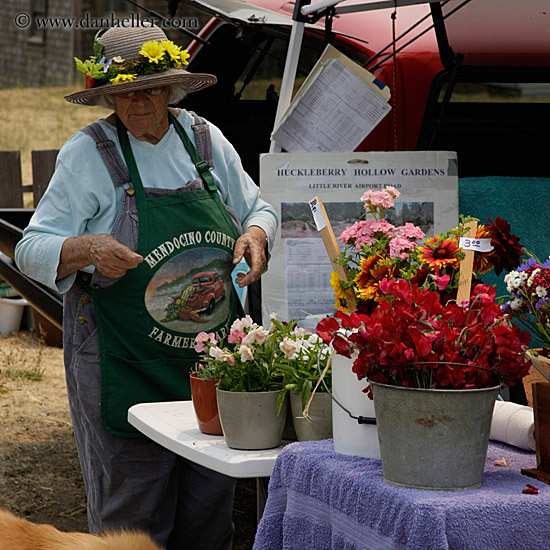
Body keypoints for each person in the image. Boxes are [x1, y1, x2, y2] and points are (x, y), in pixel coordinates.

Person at [15, 23, 278, 550]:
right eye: (124, 92)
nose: (138, 102)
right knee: (131, 528)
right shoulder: (89, 152)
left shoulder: (204, 138)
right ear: (108, 94)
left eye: (150, 88)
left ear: (171, 88)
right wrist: (86, 249)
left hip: (209, 368)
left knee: (209, 515)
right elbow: (30, 248)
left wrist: (255, 234)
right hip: (125, 365)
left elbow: (258, 207)